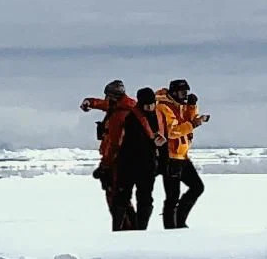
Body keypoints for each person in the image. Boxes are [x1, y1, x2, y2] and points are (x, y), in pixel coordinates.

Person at [85, 77, 156, 232]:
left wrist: (105, 165)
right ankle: (132, 227)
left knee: (117, 196)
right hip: (127, 160)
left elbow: (115, 143)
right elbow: (105, 105)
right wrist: (90, 102)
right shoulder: (125, 105)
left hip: (118, 161)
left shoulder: (119, 115)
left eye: (107, 96)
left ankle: (126, 230)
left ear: (113, 96)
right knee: (123, 196)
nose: (106, 99)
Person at [151, 78, 206, 229]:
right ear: (174, 92)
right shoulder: (164, 107)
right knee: (172, 197)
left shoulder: (179, 105)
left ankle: (179, 222)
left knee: (197, 187)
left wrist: (192, 107)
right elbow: (172, 131)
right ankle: (171, 229)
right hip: (170, 157)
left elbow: (187, 121)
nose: (185, 95)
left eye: (186, 92)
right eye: (183, 92)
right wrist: (193, 124)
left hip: (182, 156)